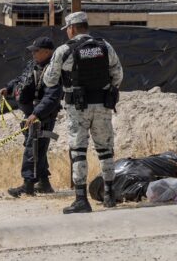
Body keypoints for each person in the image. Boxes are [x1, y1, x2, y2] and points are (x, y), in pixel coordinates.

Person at [44, 12, 124, 214]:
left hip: (78, 108)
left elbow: (49, 80)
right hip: (103, 105)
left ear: (72, 28)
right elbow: (118, 74)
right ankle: (109, 195)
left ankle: (81, 199)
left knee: (78, 151)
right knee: (105, 150)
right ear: (86, 26)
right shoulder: (105, 46)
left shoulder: (65, 50)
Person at [0, 37, 62, 197]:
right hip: (31, 116)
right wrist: (8, 88)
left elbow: (52, 97)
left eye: (36, 51)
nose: (33, 53)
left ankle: (27, 185)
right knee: (37, 149)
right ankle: (44, 183)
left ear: (47, 52)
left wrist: (37, 113)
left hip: (42, 117)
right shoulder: (34, 65)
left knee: (32, 149)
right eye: (32, 51)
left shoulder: (53, 70)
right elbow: (21, 79)